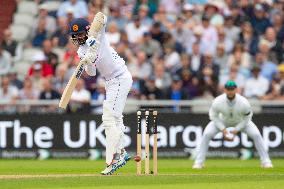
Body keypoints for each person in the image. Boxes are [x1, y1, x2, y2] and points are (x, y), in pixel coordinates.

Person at [69, 14, 132, 175]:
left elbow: (101, 16)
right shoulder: (81, 50)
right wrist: (87, 60)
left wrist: (93, 39)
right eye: (75, 36)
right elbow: (91, 73)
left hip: (120, 77)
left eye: (80, 34)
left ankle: (114, 158)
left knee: (109, 118)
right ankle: (121, 153)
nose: (78, 38)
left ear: (87, 30)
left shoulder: (98, 33)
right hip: (110, 82)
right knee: (115, 118)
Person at [193, 80, 273, 169]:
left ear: (236, 90)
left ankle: (266, 162)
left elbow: (247, 118)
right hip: (222, 121)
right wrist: (223, 129)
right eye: (228, 89)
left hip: (241, 121)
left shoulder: (244, 102)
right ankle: (199, 162)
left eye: (232, 89)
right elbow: (213, 116)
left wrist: (237, 129)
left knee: (256, 134)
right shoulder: (218, 101)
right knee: (207, 134)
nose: (230, 91)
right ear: (225, 90)